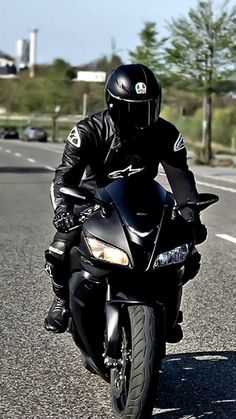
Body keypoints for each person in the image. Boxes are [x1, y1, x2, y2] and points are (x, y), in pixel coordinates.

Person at [44, 63, 207, 342]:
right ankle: (61, 300)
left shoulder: (166, 133)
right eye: (133, 108)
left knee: (187, 253)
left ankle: (167, 308)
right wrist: (62, 209)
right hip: (93, 200)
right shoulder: (88, 131)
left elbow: (181, 178)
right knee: (59, 249)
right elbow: (64, 177)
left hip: (143, 201)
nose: (142, 116)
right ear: (113, 103)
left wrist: (191, 215)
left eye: (148, 107)